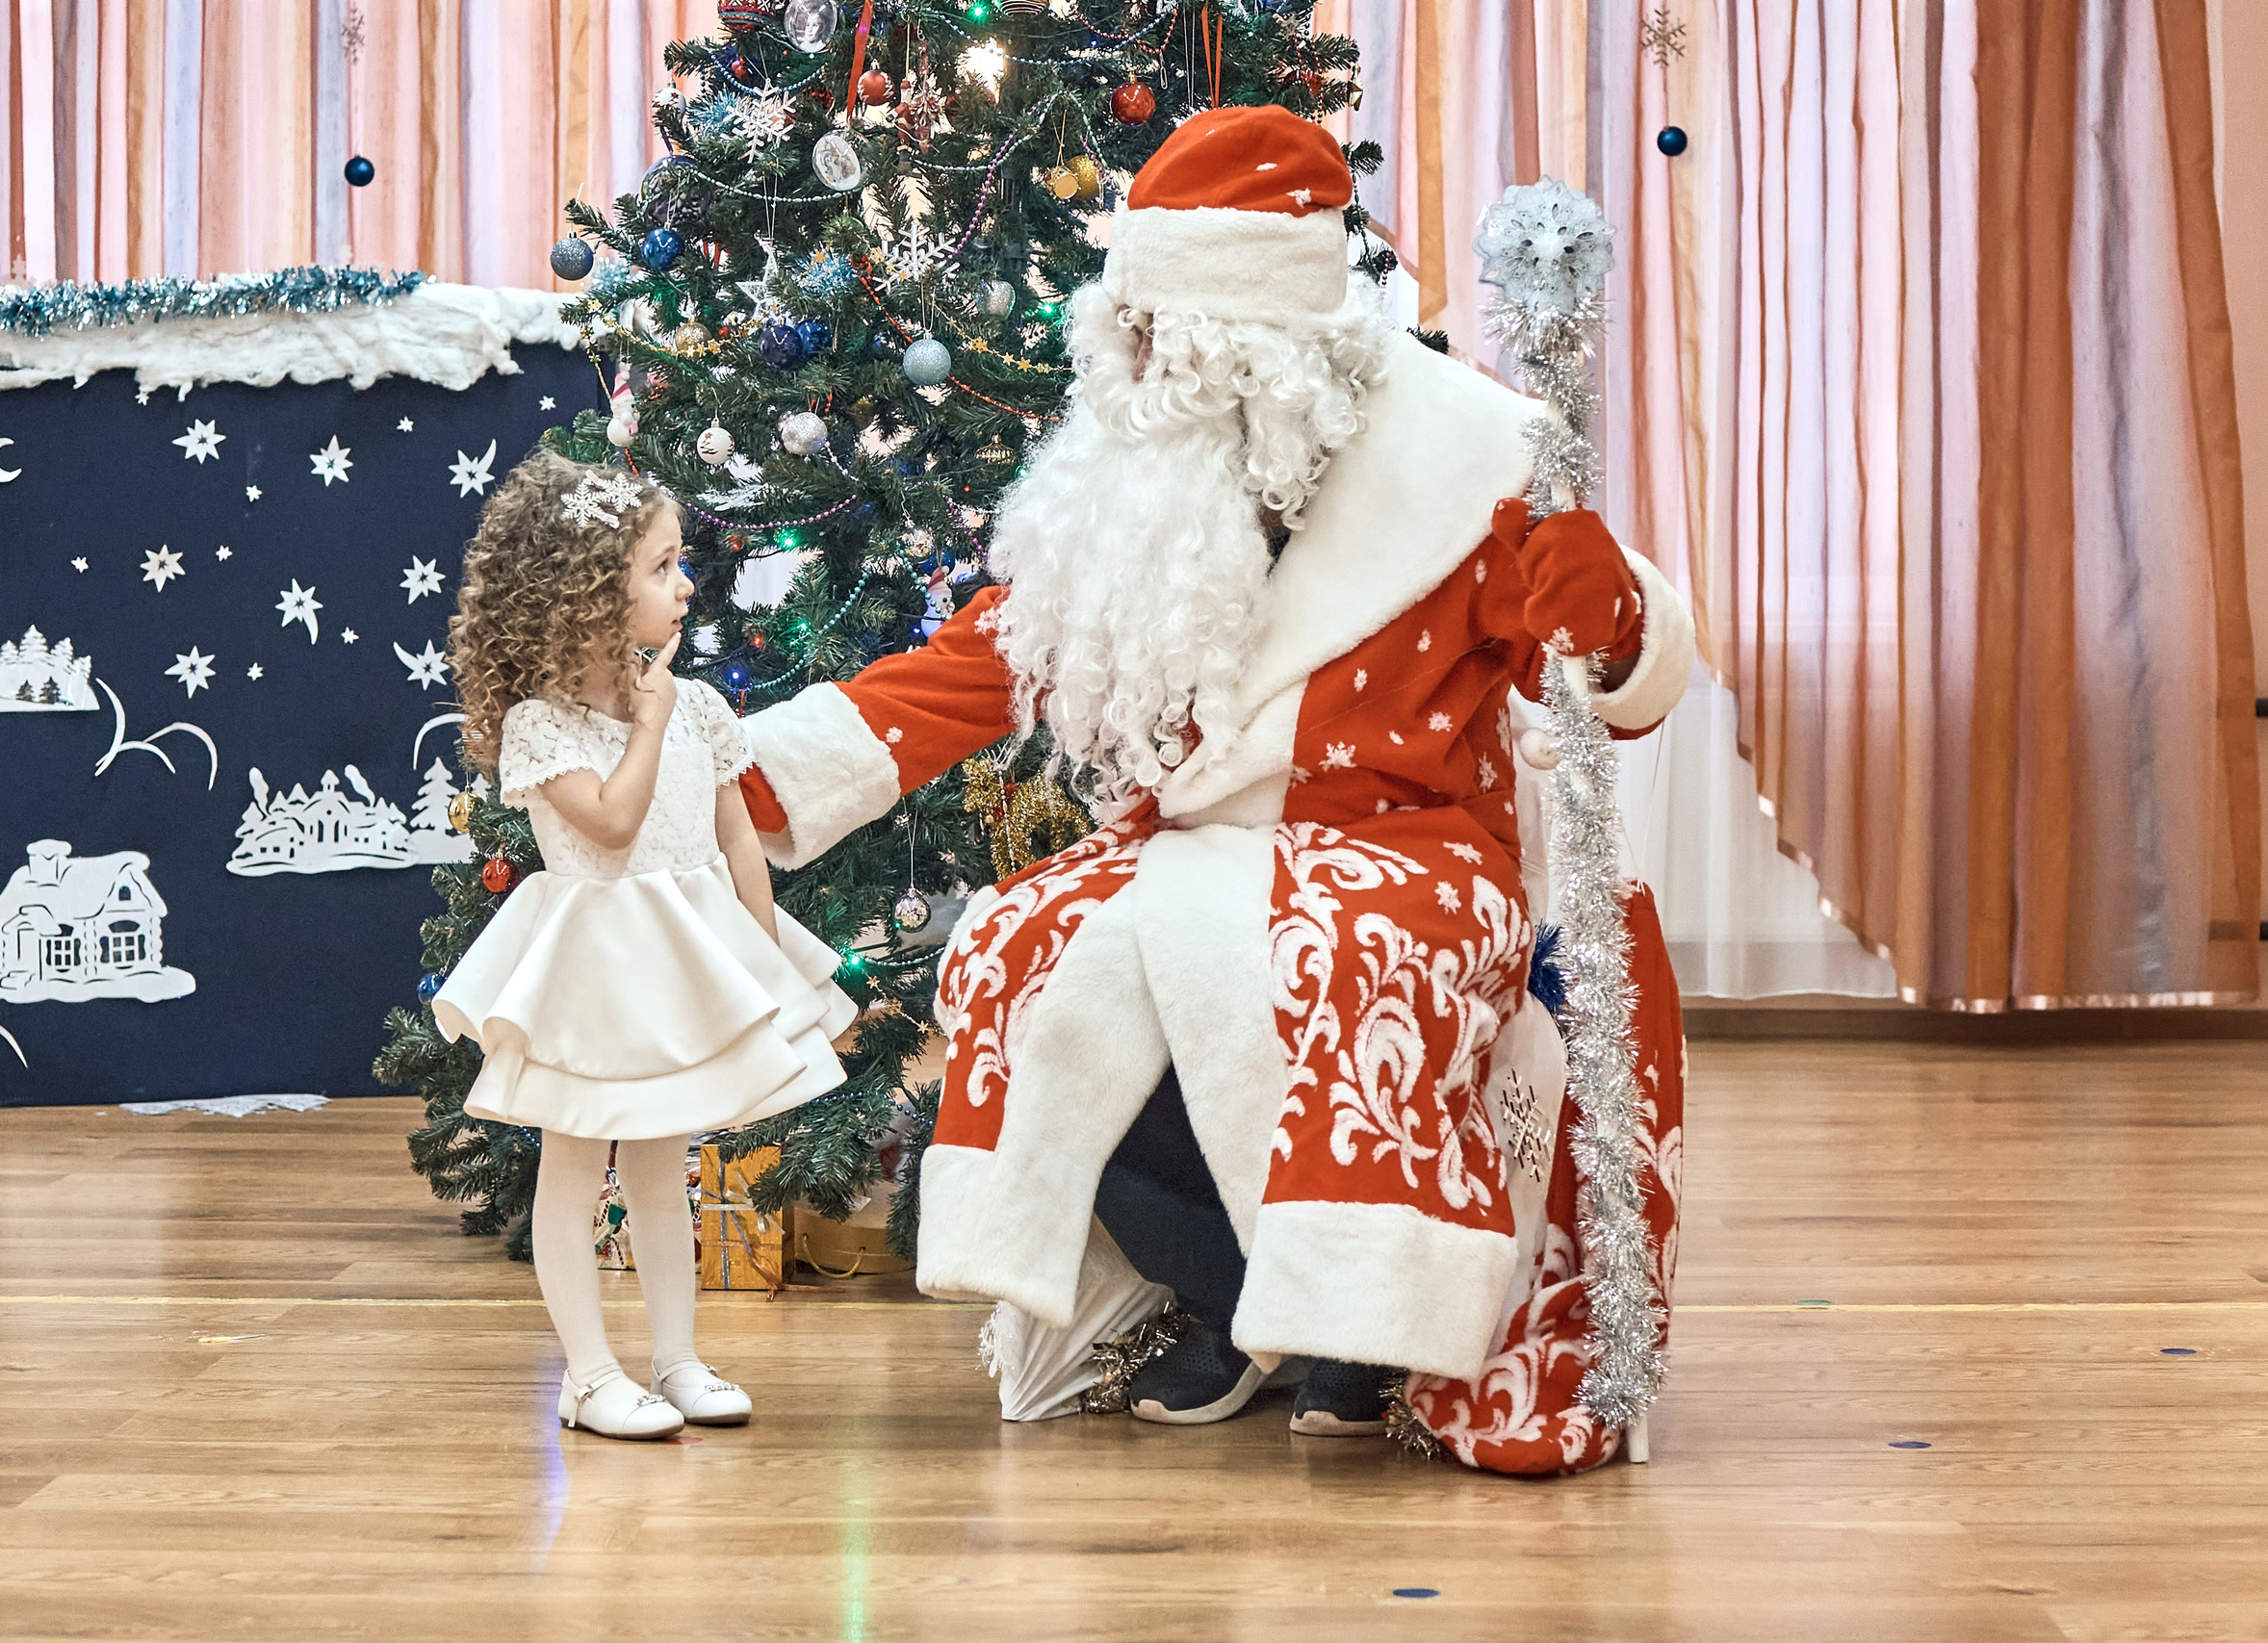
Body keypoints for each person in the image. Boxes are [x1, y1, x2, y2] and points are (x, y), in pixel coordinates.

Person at [737, 105, 1692, 1474]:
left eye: (1168, 340)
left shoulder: (1477, 458)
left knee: (1333, 957)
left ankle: (1361, 1327)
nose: (1138, 367)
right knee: (1015, 952)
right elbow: (984, 661)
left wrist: (1610, 618)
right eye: (1131, 334)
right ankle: (1238, 1293)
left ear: (1268, 345)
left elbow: (1632, 670)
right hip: (1192, 837)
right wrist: (748, 780)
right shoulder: (1138, 470)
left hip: (1412, 840)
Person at [433, 451, 858, 1441]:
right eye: (663, 566)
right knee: (577, 1165)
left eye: (680, 562)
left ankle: (676, 1359)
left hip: (681, 966)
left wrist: (764, 965)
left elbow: (735, 841)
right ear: (590, 597)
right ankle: (586, 1376)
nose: (685, 583)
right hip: (593, 976)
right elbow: (614, 828)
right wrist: (651, 726)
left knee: (667, 1169)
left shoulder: (698, 704)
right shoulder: (541, 726)